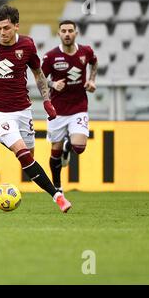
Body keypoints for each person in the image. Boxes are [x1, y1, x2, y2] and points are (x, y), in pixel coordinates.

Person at [0, 5, 71, 213]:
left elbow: (38, 73)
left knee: (29, 158)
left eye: (6, 28)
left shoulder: (27, 45)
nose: (2, 33)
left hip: (22, 109)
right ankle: (57, 196)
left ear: (16, 26)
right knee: (23, 154)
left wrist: (47, 100)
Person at [41, 20, 98, 192]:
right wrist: (52, 85)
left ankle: (69, 146)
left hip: (79, 107)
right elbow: (40, 78)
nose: (67, 34)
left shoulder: (85, 51)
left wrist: (92, 80)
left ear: (76, 33)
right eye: (64, 31)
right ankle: (57, 186)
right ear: (58, 34)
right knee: (55, 151)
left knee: (79, 147)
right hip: (57, 110)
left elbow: (94, 62)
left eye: (70, 31)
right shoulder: (51, 56)